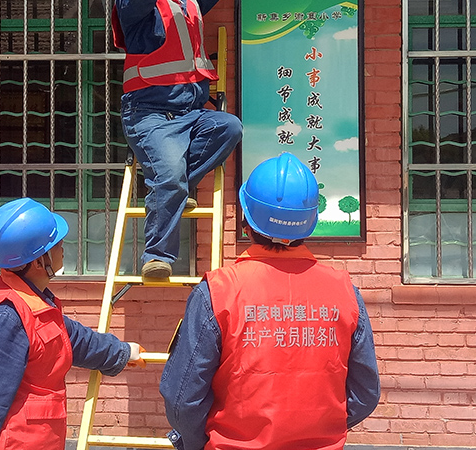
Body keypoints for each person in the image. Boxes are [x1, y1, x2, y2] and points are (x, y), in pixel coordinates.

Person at [160, 152, 380, 450]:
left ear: (246, 222)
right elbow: (365, 394)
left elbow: (182, 399)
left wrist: (204, 440)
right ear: (310, 222)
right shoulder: (344, 291)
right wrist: (319, 428)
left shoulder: (218, 291)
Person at [0, 197, 145, 450]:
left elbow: (74, 339)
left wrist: (122, 352)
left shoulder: (35, 305)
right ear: (39, 261)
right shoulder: (5, 318)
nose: (63, 248)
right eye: (57, 244)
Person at [113, 0, 243, 280]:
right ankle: (157, 256)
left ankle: (174, 190)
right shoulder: (132, 1)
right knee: (168, 176)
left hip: (191, 113)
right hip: (149, 115)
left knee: (229, 127)